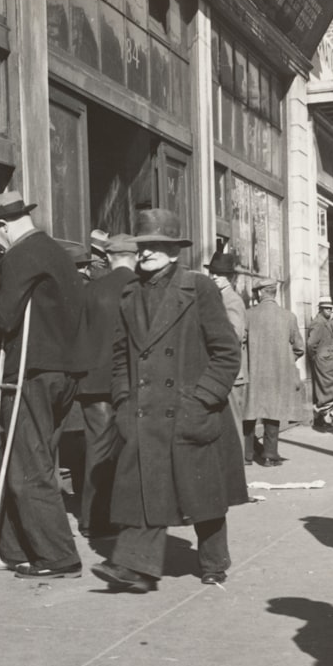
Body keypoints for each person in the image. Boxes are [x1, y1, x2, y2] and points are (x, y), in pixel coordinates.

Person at [91, 209, 247, 592]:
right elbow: (119, 357)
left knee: (201, 494)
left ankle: (213, 560)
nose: (146, 254)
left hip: (189, 409)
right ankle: (137, 568)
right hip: (143, 413)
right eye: (142, 247)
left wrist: (203, 399)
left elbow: (226, 352)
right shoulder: (130, 294)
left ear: (175, 251)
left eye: (157, 247)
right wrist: (124, 403)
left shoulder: (199, 289)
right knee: (145, 490)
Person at [0, 191, 86, 578]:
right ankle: (18, 546)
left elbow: (3, 319)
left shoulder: (20, 254)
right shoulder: (57, 252)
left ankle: (57, 556)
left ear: (1, 228)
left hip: (31, 372)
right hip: (63, 373)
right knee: (29, 459)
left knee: (26, 466)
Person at [75, 233, 139, 538]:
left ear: (109, 257)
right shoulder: (141, 289)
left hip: (93, 383)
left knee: (98, 449)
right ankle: (123, 515)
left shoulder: (91, 290)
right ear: (136, 257)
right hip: (129, 381)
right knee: (129, 450)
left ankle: (92, 520)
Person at [242, 279, 303, 466]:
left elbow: (240, 343)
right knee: (273, 413)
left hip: (253, 372)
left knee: (249, 413)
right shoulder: (288, 317)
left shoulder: (248, 315)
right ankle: (269, 454)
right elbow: (299, 347)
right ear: (274, 292)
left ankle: (247, 455)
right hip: (278, 374)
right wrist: (285, 361)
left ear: (260, 293)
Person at [205, 250, 246, 448]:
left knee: (234, 424)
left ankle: (236, 469)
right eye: (212, 272)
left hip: (231, 372)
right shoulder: (214, 297)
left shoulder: (232, 300)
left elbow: (234, 335)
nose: (214, 277)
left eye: (219, 274)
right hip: (220, 371)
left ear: (229, 277)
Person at [307, 297, 333, 429]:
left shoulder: (328, 321)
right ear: (320, 309)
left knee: (329, 388)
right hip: (324, 359)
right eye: (326, 308)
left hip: (330, 358)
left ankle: (326, 415)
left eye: (331, 308)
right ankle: (321, 410)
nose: (329, 310)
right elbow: (311, 344)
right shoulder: (318, 323)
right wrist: (317, 357)